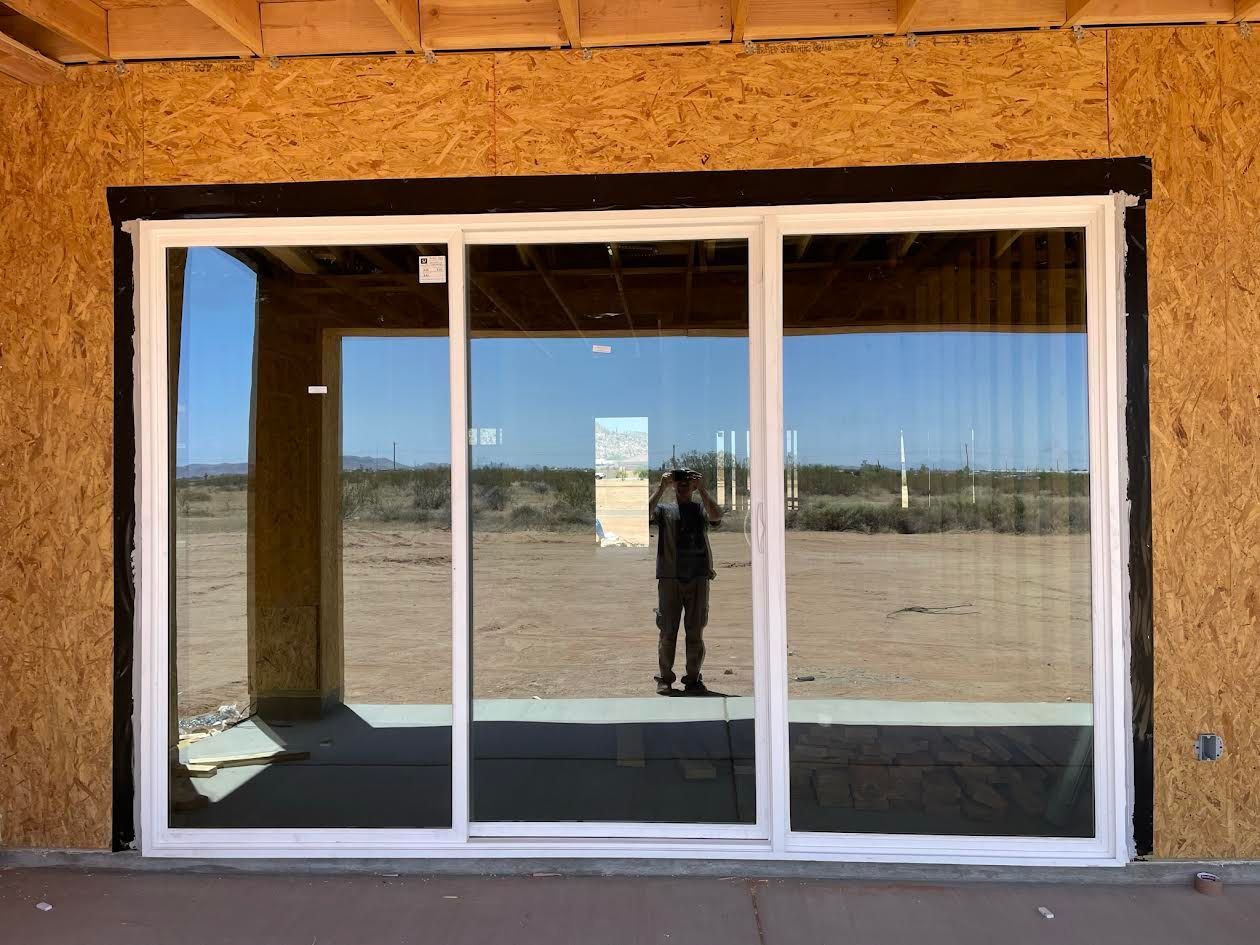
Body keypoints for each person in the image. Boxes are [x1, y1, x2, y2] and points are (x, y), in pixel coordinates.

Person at [648, 469, 722, 695]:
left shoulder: (700, 509)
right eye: (678, 481)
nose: (682, 485)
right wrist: (661, 488)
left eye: (687, 482)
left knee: (695, 631)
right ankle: (665, 678)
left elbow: (717, 516)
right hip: (670, 577)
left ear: (693, 485)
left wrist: (703, 490)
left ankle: (693, 679)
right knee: (667, 631)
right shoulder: (665, 510)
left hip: (698, 577)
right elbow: (643, 515)